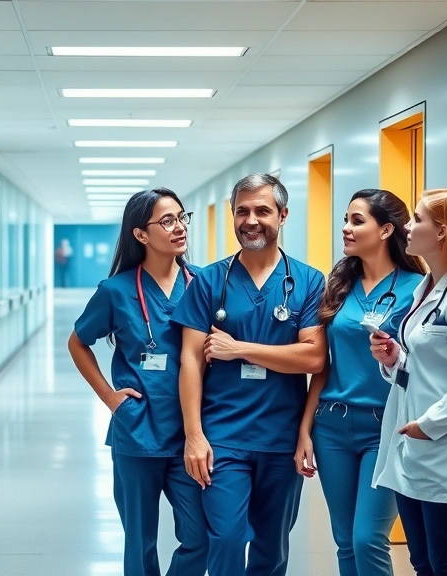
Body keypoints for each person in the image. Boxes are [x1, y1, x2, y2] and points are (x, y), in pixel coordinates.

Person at [171, 173, 326, 576]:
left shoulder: (308, 281)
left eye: (262, 210)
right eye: (242, 211)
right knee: (224, 538)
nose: (251, 220)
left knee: (271, 546)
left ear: (283, 215)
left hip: (280, 434)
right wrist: (194, 435)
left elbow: (313, 358)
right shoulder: (209, 281)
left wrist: (237, 348)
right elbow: (190, 359)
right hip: (222, 435)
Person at [67, 188, 207, 576]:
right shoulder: (115, 291)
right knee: (140, 541)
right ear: (140, 235)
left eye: (182, 217)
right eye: (167, 221)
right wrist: (110, 398)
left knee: (201, 538)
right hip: (138, 431)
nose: (179, 227)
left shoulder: (203, 284)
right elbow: (78, 342)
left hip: (192, 435)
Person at [295, 188, 426, 576]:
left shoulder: (418, 288)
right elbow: (324, 366)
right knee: (345, 541)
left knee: (368, 538)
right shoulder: (339, 286)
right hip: (332, 425)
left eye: (357, 220)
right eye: (345, 220)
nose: (346, 228)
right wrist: (306, 429)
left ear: (386, 230)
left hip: (385, 426)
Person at [368, 189, 447, 576]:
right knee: (423, 561)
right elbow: (426, 363)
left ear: (442, 232)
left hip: (446, 449)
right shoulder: (428, 286)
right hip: (412, 441)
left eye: (418, 219)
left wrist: (430, 425)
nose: (408, 226)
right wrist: (394, 359)